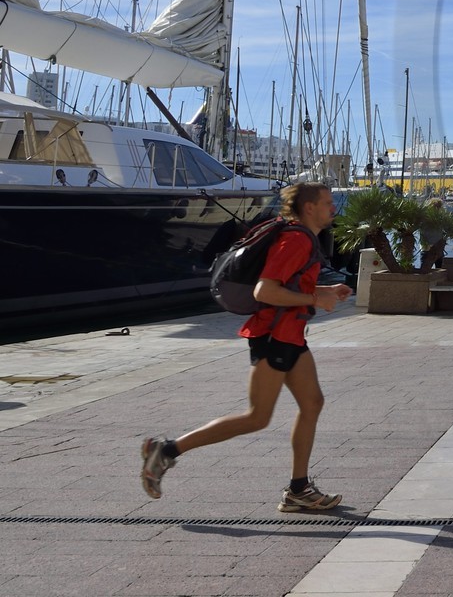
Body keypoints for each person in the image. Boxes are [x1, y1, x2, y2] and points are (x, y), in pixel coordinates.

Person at [138, 182, 353, 511]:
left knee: (312, 403)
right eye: (327, 203)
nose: (333, 208)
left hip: (290, 336)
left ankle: (298, 489)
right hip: (274, 336)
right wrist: (315, 298)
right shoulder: (296, 240)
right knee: (256, 417)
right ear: (309, 207)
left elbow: (289, 285)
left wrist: (324, 290)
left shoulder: (303, 238)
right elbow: (264, 291)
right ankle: (166, 450)